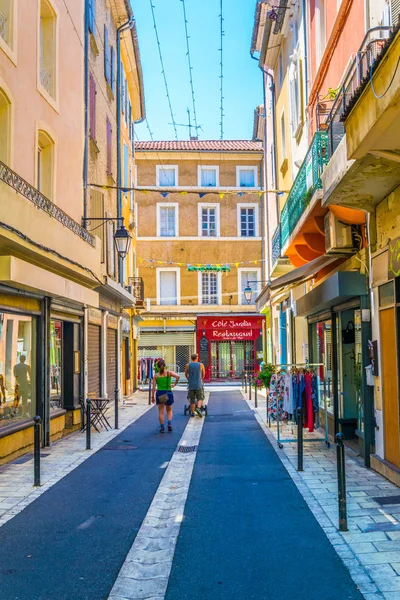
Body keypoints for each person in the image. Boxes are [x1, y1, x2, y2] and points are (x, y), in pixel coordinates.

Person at [151, 359, 180, 433]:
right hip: (168, 393)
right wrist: (174, 384)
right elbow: (178, 376)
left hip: (160, 393)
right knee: (169, 410)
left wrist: (152, 397)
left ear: (157, 367)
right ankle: (169, 423)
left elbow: (153, 387)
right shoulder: (169, 373)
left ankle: (162, 427)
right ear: (165, 366)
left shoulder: (156, 375)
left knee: (161, 412)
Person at [185, 353, 205, 418]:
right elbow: (203, 374)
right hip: (198, 384)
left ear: (191, 358)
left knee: (192, 399)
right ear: (197, 358)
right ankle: (198, 408)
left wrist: (189, 379)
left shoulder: (187, 365)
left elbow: (186, 374)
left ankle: (193, 412)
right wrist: (201, 379)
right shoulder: (201, 365)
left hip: (191, 384)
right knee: (200, 397)